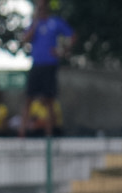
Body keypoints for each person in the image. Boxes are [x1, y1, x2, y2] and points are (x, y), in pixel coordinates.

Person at [19, 0, 74, 138]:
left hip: (50, 65)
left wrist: (62, 50)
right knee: (29, 99)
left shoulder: (55, 22)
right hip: (36, 65)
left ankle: (49, 135)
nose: (41, 8)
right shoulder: (34, 24)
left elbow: (72, 36)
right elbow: (25, 39)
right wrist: (35, 21)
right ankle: (21, 134)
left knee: (49, 100)